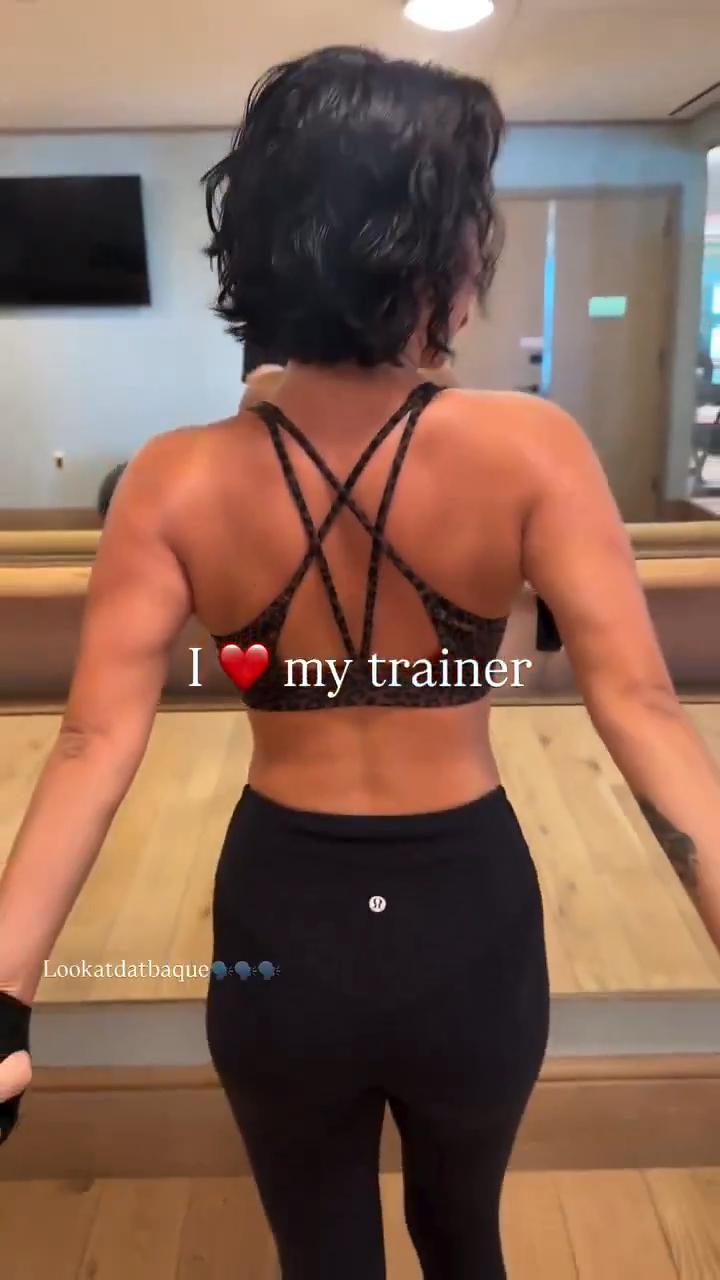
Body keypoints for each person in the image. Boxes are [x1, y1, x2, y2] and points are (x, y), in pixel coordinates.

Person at [1, 44, 719, 1280]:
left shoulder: (173, 476)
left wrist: (6, 991)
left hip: (285, 919)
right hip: (470, 918)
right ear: (441, 251)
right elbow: (644, 709)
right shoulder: (533, 448)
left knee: (320, 1254)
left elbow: (92, 742)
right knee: (464, 1232)